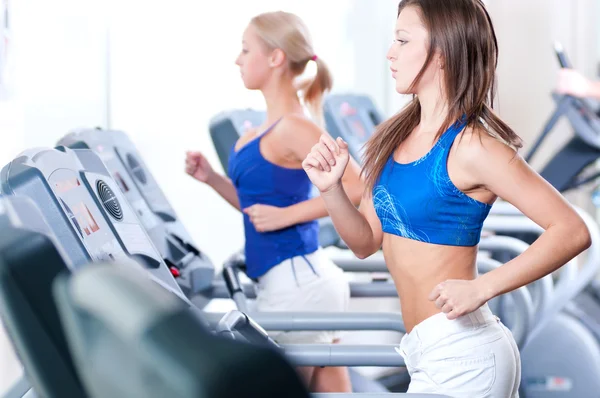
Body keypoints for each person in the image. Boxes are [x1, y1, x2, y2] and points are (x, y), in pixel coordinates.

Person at [302, 0, 592, 396]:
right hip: (426, 352)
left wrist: (482, 287)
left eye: (403, 40)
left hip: (467, 356)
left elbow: (572, 230)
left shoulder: (473, 146)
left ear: (441, 53)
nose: (391, 51)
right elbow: (364, 242)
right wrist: (331, 189)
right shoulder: (390, 138)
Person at [185, 11, 364, 393]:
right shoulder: (255, 131)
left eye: (246, 49)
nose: (238, 59)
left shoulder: (294, 127)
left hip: (300, 285)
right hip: (290, 281)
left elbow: (357, 187)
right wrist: (213, 179)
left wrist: (287, 215)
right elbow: (258, 212)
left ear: (275, 58)